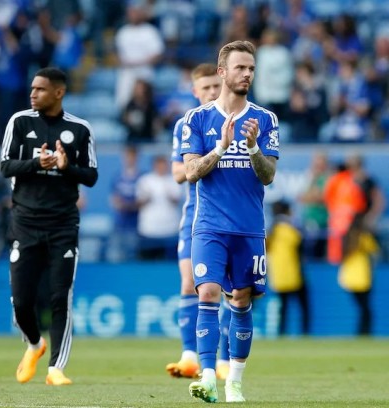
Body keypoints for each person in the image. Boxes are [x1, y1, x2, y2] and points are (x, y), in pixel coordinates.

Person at [180, 41, 279, 403]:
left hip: (250, 227)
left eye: (251, 68)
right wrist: (220, 147)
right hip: (209, 225)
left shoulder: (265, 120)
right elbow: (191, 173)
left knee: (241, 299)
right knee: (205, 291)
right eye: (240, 68)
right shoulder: (198, 119)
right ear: (222, 72)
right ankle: (207, 377)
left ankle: (234, 381)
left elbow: (268, 176)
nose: (247, 74)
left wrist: (252, 147)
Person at [0, 67, 98, 386]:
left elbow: (91, 176)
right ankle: (34, 344)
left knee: (60, 297)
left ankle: (56, 367)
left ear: (59, 92)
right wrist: (35, 164)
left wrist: (67, 167)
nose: (33, 94)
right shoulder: (19, 122)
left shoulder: (80, 129)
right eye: (32, 89)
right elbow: (5, 166)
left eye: (40, 89)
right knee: (21, 302)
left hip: (62, 224)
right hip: (25, 223)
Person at [165, 63, 228, 380]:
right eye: (205, 88)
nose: (212, 93)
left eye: (216, 87)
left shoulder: (238, 120)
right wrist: (208, 161)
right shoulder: (188, 124)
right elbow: (179, 173)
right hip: (195, 217)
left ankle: (225, 359)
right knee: (190, 283)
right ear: (195, 91)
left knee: (230, 289)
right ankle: (190, 354)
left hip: (231, 215)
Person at [266, 200, 310, 336]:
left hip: (278, 275)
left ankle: (281, 332)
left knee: (283, 307)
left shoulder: (271, 231)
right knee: (304, 306)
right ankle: (304, 332)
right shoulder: (291, 229)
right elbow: (301, 243)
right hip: (294, 274)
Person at [339, 213, 379, 335]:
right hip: (362, 278)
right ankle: (364, 333)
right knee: (366, 310)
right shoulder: (363, 237)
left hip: (349, 278)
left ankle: (360, 333)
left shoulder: (347, 238)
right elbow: (375, 250)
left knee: (362, 308)